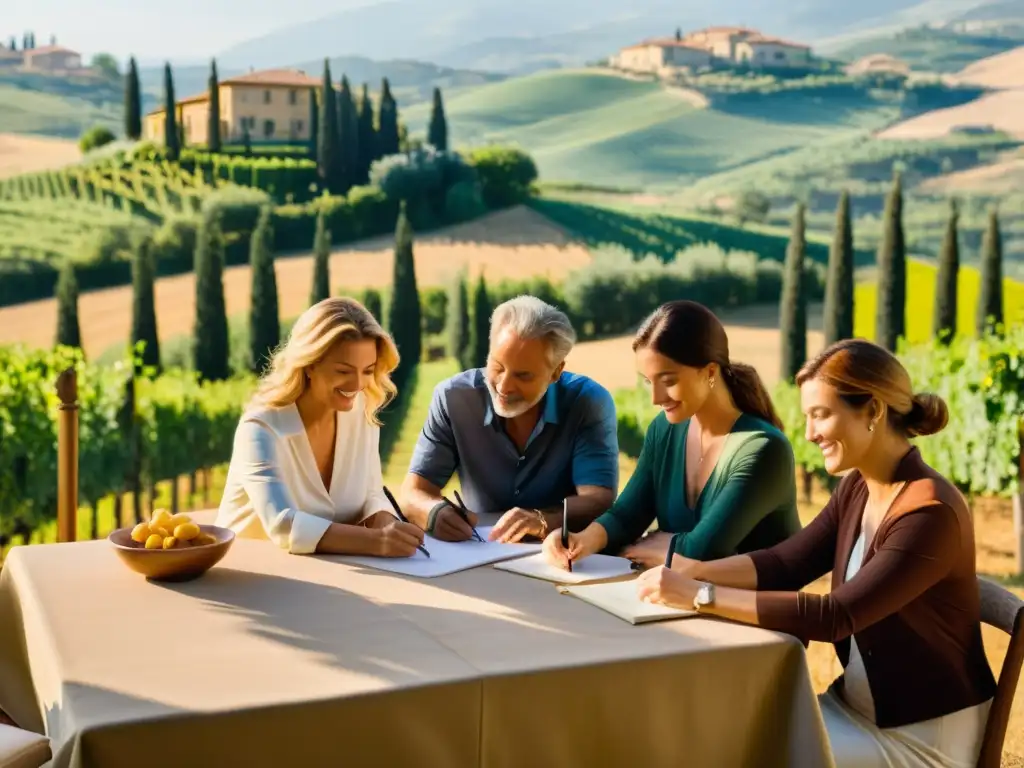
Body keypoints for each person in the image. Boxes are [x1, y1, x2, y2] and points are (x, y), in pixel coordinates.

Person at [632, 338, 997, 768]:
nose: (809, 434)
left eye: (821, 415)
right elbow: (787, 562)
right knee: (720, 736)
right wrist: (696, 572)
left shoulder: (930, 514)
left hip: (919, 735)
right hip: (854, 707)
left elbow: (834, 616)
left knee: (740, 755)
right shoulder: (859, 487)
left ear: (873, 411)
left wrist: (698, 595)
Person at [542, 300, 801, 570]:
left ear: (710, 372)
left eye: (668, 381)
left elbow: (703, 552)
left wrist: (667, 546)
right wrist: (581, 540)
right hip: (680, 599)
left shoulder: (763, 449)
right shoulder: (664, 429)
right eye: (647, 381)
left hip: (748, 608)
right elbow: (628, 515)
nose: (655, 398)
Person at [216, 297, 426, 557]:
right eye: (343, 370)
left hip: (328, 576)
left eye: (368, 370)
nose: (357, 384)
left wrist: (384, 520)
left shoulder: (362, 411)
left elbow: (372, 493)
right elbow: (282, 524)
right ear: (310, 364)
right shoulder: (260, 428)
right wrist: (377, 541)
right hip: (248, 578)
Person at [399, 295, 619, 543]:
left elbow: (598, 501)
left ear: (556, 372)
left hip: (559, 557)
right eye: (498, 366)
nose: (504, 386)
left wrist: (542, 520)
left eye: (523, 376)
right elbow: (413, 493)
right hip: (480, 553)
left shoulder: (588, 402)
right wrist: (433, 512)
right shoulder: (452, 398)